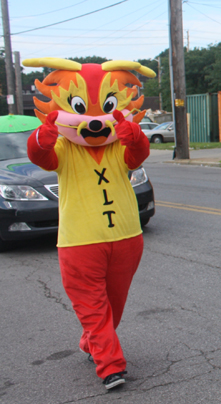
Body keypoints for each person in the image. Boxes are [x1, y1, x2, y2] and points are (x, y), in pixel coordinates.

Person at [25, 58, 155, 388]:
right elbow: (40, 155)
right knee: (93, 307)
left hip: (127, 238)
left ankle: (92, 344)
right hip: (79, 244)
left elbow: (138, 155)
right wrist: (43, 135)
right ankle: (111, 365)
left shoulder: (117, 147)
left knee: (114, 304)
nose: (94, 121)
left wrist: (135, 135)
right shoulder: (63, 147)